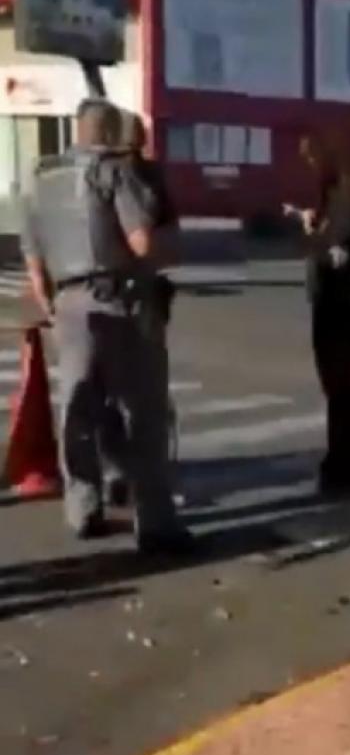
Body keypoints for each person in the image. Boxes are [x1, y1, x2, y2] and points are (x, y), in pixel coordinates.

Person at [21, 99, 191, 552]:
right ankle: (155, 523)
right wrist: (171, 253)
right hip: (122, 303)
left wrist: (55, 306)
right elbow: (143, 242)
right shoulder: (115, 172)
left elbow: (35, 263)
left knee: (79, 412)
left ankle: (83, 508)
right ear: (112, 131)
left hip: (70, 306)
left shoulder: (41, 179)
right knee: (145, 413)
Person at [96, 111, 182, 508]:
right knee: (145, 395)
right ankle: (144, 480)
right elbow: (164, 240)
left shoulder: (105, 173)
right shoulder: (141, 177)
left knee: (114, 393)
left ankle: (119, 471)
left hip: (115, 295)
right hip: (139, 294)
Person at [294, 133, 350, 491]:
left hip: (341, 307)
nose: (309, 166)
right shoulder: (346, 197)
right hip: (348, 303)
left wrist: (311, 233)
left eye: (311, 158)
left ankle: (345, 462)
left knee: (340, 387)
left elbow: (335, 254)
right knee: (343, 390)